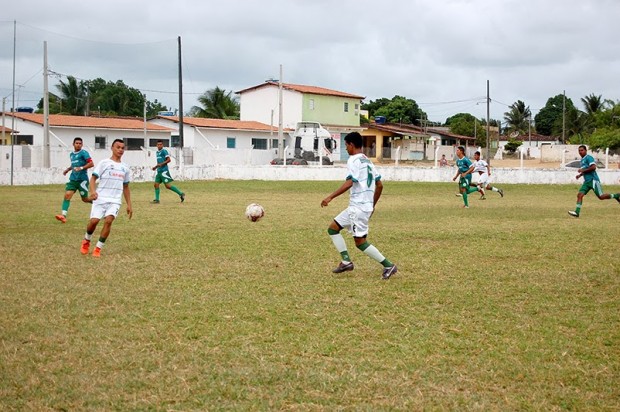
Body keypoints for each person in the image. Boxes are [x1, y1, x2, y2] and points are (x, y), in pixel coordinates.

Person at [321, 132, 397, 280]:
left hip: (358, 208)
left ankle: (389, 265)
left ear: (351, 144)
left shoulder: (353, 160)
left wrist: (330, 197)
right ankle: (346, 262)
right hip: (360, 207)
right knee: (333, 229)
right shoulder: (368, 161)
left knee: (360, 243)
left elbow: (350, 182)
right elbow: (380, 185)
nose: (346, 148)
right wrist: (372, 205)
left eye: (346, 145)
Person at [80, 139, 133, 257]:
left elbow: (126, 186)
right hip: (101, 198)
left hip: (115, 200)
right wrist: (93, 192)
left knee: (108, 221)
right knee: (94, 222)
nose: (120, 150)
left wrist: (129, 204)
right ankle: (86, 240)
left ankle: (98, 248)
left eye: (122, 148)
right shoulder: (104, 163)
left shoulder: (125, 167)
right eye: (118, 147)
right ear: (112, 148)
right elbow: (93, 179)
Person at [568, 145, 619, 218]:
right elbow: (586, 169)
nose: (580, 152)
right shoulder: (582, 160)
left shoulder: (589, 158)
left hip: (593, 180)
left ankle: (616, 195)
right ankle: (577, 212)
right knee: (580, 195)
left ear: (586, 151)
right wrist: (580, 175)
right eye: (579, 150)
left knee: (601, 197)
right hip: (587, 182)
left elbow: (593, 167)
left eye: (582, 150)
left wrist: (583, 170)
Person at [55, 137, 94, 223]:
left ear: (82, 145)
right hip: (73, 179)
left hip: (82, 180)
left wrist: (81, 168)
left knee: (85, 199)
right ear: (73, 144)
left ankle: (97, 204)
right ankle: (63, 216)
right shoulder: (71, 154)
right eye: (77, 143)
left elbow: (91, 163)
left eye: (80, 143)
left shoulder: (84, 153)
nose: (78, 145)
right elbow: (73, 165)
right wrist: (68, 169)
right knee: (67, 195)